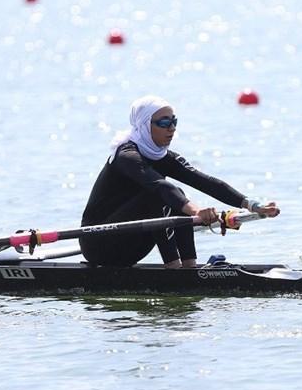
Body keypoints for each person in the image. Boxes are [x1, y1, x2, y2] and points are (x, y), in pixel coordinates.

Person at [80, 95, 280, 268]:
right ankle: (174, 270)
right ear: (144, 125)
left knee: (177, 198)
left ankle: (188, 268)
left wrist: (254, 205)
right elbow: (160, 187)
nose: (172, 128)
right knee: (162, 195)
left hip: (132, 244)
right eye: (163, 123)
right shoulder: (127, 156)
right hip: (99, 244)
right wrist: (196, 212)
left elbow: (207, 183)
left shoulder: (163, 157)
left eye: (174, 121)